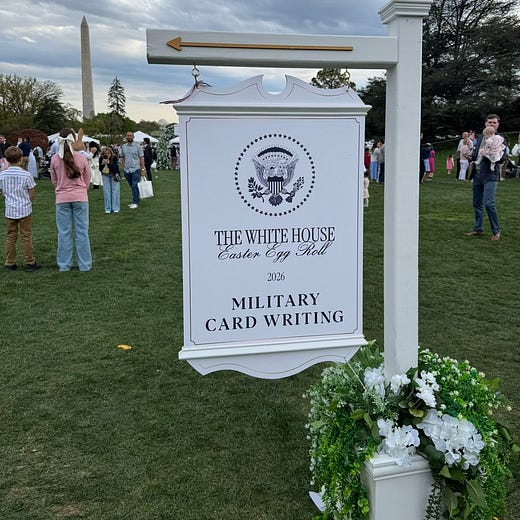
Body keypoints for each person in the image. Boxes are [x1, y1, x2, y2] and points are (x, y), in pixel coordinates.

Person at [50, 128, 92, 271]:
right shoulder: (81, 158)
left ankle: (64, 264)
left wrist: (61, 188)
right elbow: (87, 178)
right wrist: (82, 190)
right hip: (80, 197)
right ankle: (84, 264)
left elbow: (54, 180)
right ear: (73, 139)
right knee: (82, 232)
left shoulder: (54, 159)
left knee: (63, 233)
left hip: (62, 199)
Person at [0, 146, 41, 271]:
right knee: (26, 236)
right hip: (25, 209)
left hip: (10, 210)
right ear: (21, 159)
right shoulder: (26, 175)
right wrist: (30, 202)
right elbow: (31, 192)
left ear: (7, 159)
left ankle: (10, 262)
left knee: (11, 237)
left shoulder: (2, 175)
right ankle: (29, 261)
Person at [464, 114, 504, 241]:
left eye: (494, 122)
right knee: (477, 203)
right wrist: (469, 156)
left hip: (491, 176)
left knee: (488, 203)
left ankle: (496, 231)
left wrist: (491, 154)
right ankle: (478, 229)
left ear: (498, 125)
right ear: (485, 124)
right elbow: (476, 156)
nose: (492, 124)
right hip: (477, 175)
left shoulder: (500, 139)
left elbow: (502, 159)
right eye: (490, 122)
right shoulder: (481, 137)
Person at [121, 131, 145, 209]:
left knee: (134, 185)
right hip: (127, 170)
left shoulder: (138, 146)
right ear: (126, 137)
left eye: (130, 136)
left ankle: (135, 202)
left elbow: (141, 158)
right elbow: (123, 158)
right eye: (127, 135)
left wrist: (142, 169)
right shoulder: (123, 147)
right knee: (132, 186)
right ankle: (136, 198)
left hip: (136, 168)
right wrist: (123, 168)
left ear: (133, 137)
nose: (129, 137)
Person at [99, 146, 121, 213]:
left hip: (114, 175)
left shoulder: (114, 158)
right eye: (105, 153)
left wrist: (109, 163)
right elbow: (100, 169)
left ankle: (115, 208)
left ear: (111, 153)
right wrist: (102, 164)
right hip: (105, 175)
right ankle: (108, 208)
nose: (107, 155)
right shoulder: (101, 158)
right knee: (106, 191)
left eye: (108, 153)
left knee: (115, 191)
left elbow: (115, 168)